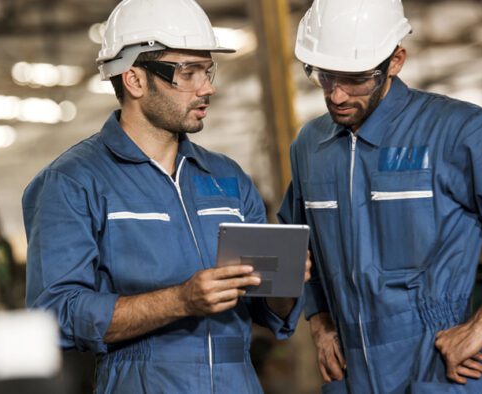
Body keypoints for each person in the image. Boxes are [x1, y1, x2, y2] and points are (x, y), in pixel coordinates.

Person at [278, 0, 482, 393]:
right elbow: (296, 244)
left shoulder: (460, 132)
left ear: (396, 61)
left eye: (354, 78)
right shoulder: (310, 146)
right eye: (323, 75)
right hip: (352, 376)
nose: (335, 95)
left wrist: (481, 326)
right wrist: (320, 324)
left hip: (439, 369)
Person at [23, 0, 307, 392]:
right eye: (187, 73)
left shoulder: (227, 178)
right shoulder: (72, 182)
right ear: (135, 79)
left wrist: (284, 281)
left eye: (207, 70)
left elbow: (269, 313)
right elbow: (55, 315)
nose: (207, 87)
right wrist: (181, 301)